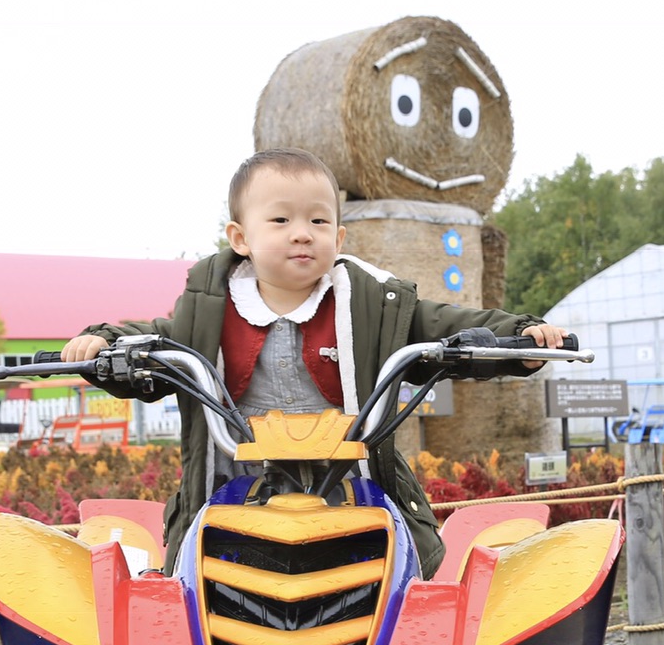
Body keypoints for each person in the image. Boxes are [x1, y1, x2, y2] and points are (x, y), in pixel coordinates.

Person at [62, 147, 565, 575]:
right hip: (234, 490)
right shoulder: (207, 309)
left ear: (339, 239)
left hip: (350, 488)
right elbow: (160, 343)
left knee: (402, 585)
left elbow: (443, 326)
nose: (302, 233)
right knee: (194, 592)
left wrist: (516, 338)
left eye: (319, 221)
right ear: (241, 238)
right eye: (281, 220)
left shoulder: (371, 306)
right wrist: (105, 344)